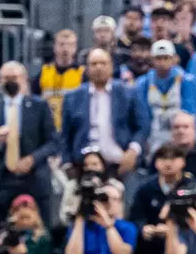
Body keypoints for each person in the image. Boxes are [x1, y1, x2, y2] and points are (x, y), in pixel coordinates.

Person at [0, 61, 56, 231]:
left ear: (24, 79)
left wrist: (32, 159)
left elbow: (53, 142)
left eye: (14, 77)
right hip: (1, 179)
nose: (10, 81)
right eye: (6, 78)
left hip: (33, 176)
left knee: (41, 230)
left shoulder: (40, 106)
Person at [59, 48, 146, 176]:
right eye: (94, 64)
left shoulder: (129, 93)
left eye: (103, 63)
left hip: (120, 161)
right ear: (87, 68)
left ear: (111, 66)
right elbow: (65, 135)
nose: (98, 67)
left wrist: (133, 150)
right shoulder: (72, 97)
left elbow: (143, 126)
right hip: (83, 166)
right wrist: (67, 163)